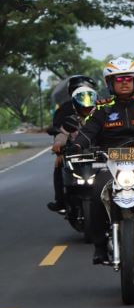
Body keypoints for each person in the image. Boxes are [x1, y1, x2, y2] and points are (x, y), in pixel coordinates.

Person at [72, 57, 134, 263]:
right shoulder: (101, 109)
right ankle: (99, 246)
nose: (124, 82)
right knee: (97, 194)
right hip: (110, 162)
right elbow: (87, 132)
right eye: (119, 79)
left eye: (128, 78)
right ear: (110, 83)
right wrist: (77, 146)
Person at [47, 75, 97, 213]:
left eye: (86, 90)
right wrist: (59, 149)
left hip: (99, 151)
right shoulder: (65, 111)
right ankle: (61, 200)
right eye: (78, 90)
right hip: (72, 150)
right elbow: (61, 131)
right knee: (59, 165)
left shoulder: (101, 110)